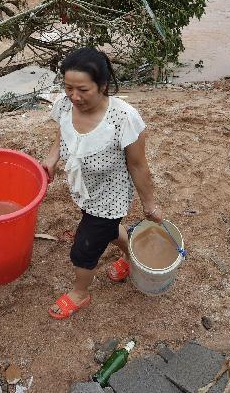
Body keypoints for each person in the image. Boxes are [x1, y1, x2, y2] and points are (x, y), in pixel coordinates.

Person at [42, 48, 162, 320]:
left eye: (83, 89)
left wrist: (150, 204)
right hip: (84, 190)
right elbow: (62, 133)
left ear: (103, 85)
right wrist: (52, 159)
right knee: (106, 231)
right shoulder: (64, 105)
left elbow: (138, 165)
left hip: (111, 198)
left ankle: (80, 293)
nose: (74, 96)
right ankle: (133, 256)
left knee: (84, 249)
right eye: (68, 87)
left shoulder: (123, 118)